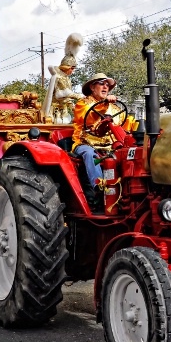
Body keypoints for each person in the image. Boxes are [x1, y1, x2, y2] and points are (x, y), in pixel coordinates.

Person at [72, 73, 127, 212]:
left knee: (127, 154)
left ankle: (125, 193)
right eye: (102, 83)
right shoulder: (82, 104)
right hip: (85, 143)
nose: (105, 87)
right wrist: (104, 104)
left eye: (107, 85)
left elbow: (126, 125)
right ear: (92, 87)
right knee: (89, 154)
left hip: (109, 146)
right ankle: (99, 188)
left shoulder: (115, 109)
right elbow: (89, 118)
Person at [48, 33, 84, 123]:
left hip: (63, 111)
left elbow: (66, 97)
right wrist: (80, 96)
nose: (72, 71)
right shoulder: (58, 78)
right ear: (66, 67)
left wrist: (71, 105)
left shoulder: (67, 79)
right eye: (72, 68)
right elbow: (63, 94)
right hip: (55, 111)